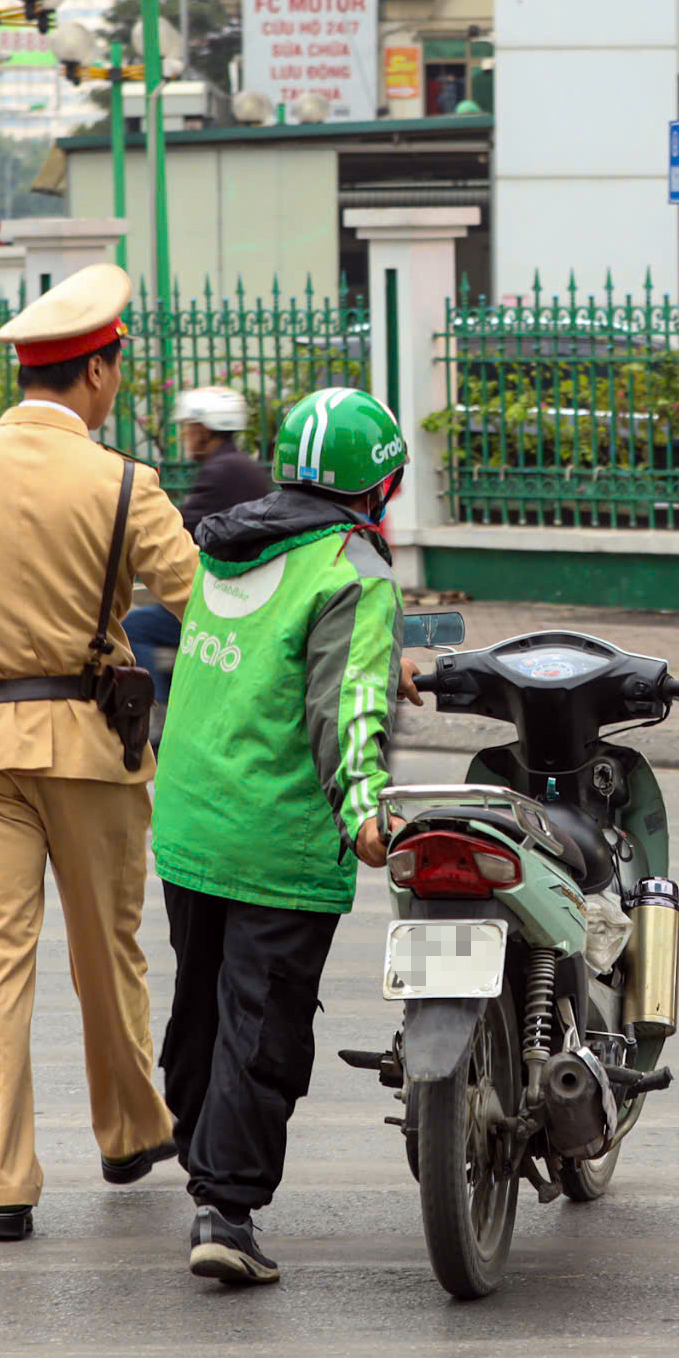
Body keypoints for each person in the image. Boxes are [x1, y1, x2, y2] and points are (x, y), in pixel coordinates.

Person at [0, 262, 200, 1243]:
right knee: (107, 948)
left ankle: (0, 1182)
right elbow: (201, 600)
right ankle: (128, 1126)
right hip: (95, 748)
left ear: (26, 372)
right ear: (98, 373)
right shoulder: (124, 484)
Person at [152, 387, 420, 1287]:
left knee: (201, 1001)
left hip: (191, 818)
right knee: (261, 1024)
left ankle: (198, 1154)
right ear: (377, 487)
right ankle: (225, 1208)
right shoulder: (352, 566)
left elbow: (273, 657)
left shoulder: (233, 540)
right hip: (276, 831)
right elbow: (345, 702)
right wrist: (366, 809)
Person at [121, 386, 273, 704]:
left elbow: (180, 532)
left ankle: (153, 716)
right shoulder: (242, 466)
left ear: (204, 430)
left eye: (189, 428)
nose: (186, 436)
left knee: (135, 627)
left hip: (227, 602)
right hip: (248, 594)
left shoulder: (221, 472)